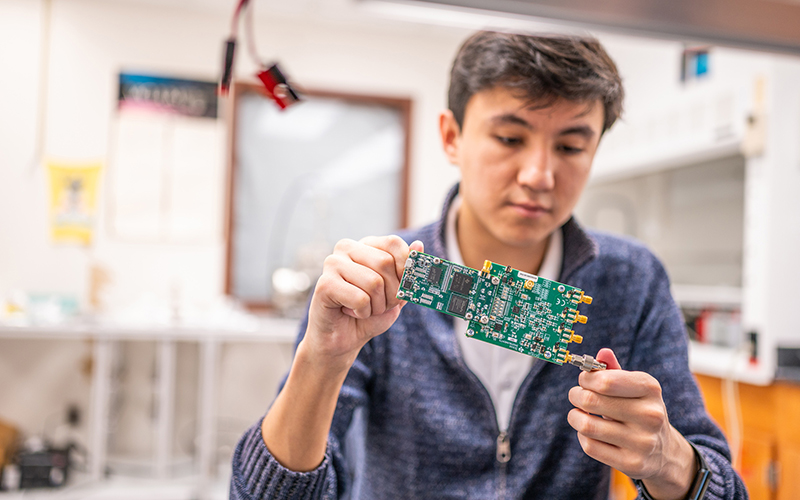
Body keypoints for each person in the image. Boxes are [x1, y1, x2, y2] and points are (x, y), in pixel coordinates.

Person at [230, 31, 747, 500]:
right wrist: (321, 361)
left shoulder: (631, 281)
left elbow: (723, 485)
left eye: (570, 145)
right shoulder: (376, 282)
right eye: (509, 138)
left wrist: (667, 460)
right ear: (452, 137)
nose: (539, 174)